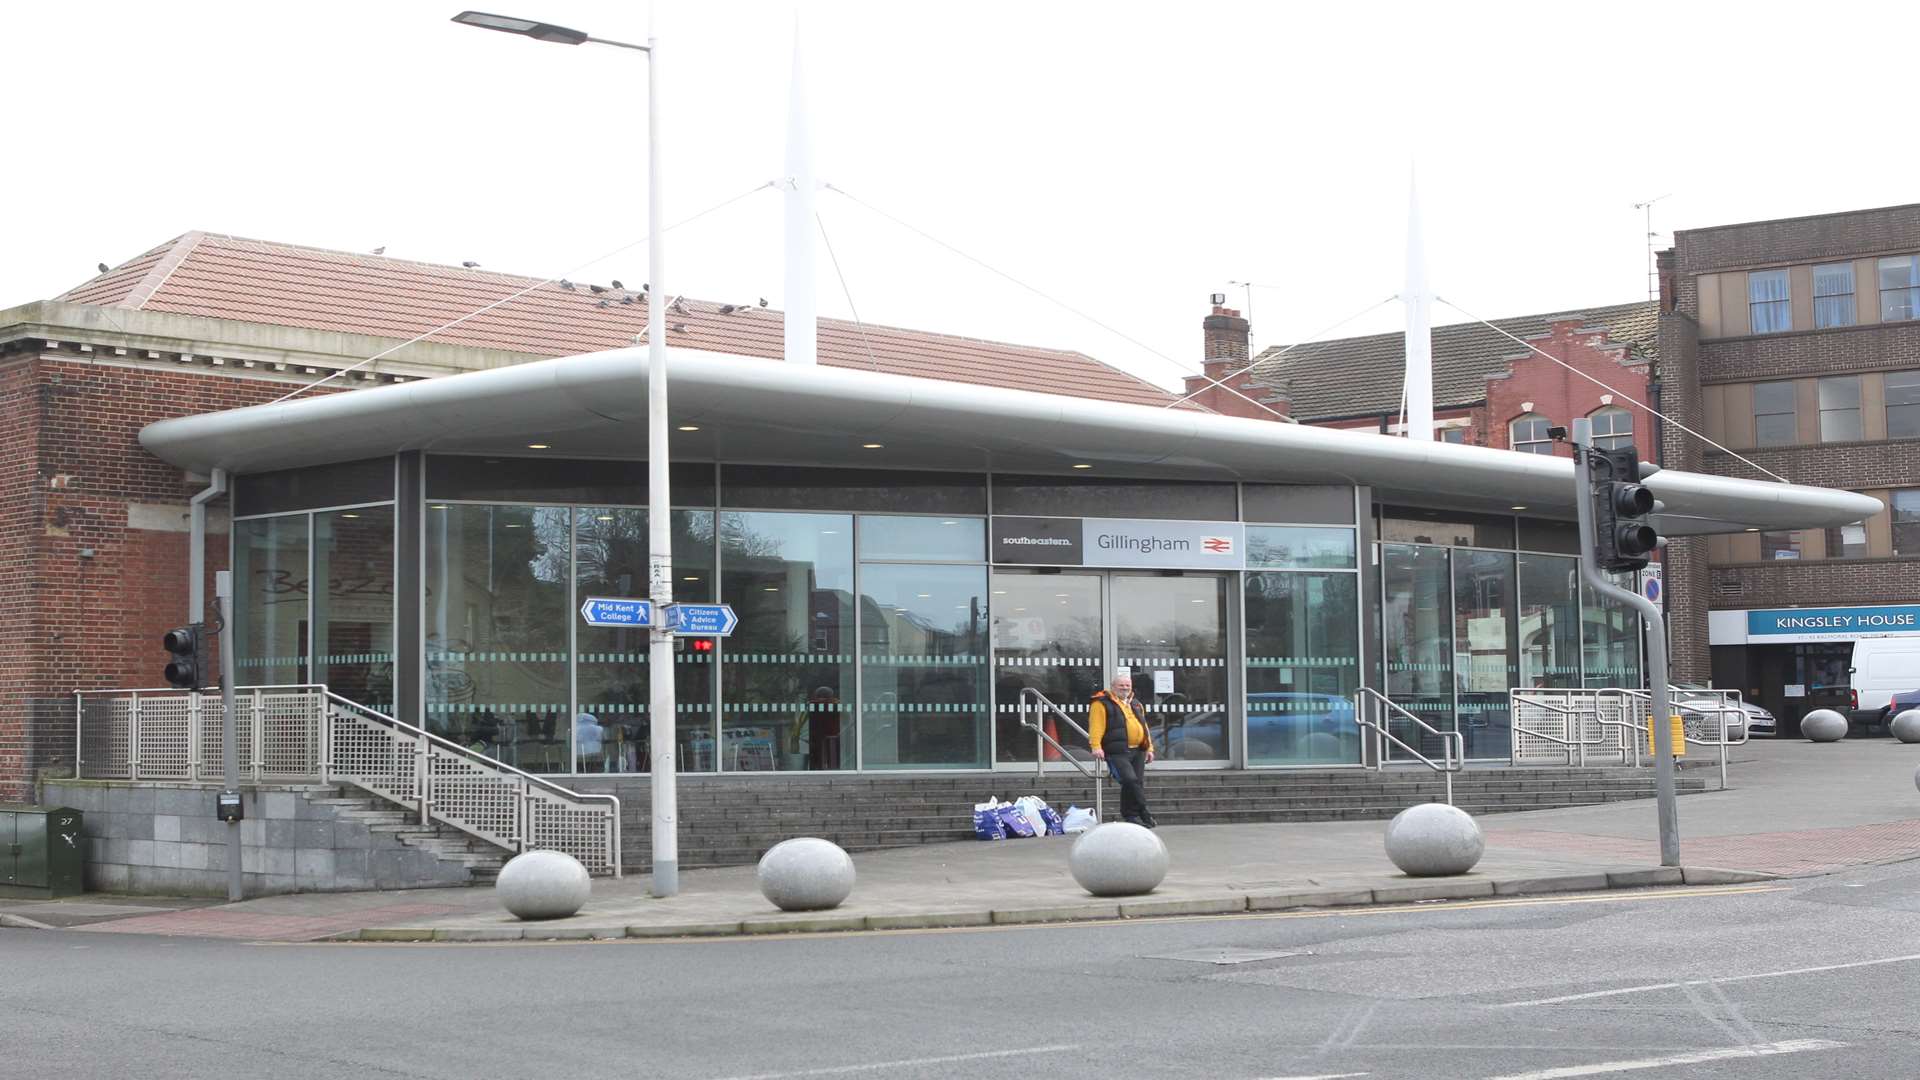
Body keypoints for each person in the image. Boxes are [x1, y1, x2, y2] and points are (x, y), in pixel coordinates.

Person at [1088, 670, 1156, 827]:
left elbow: (1144, 726)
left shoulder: (1136, 703)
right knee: (1129, 780)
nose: (1125, 688)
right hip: (1117, 751)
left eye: (1127, 685)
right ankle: (1144, 811)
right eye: (1121, 685)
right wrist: (1096, 746)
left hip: (1138, 750)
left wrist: (1149, 748)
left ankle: (1131, 815)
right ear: (1113, 687)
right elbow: (1096, 726)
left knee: (1135, 782)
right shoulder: (1101, 703)